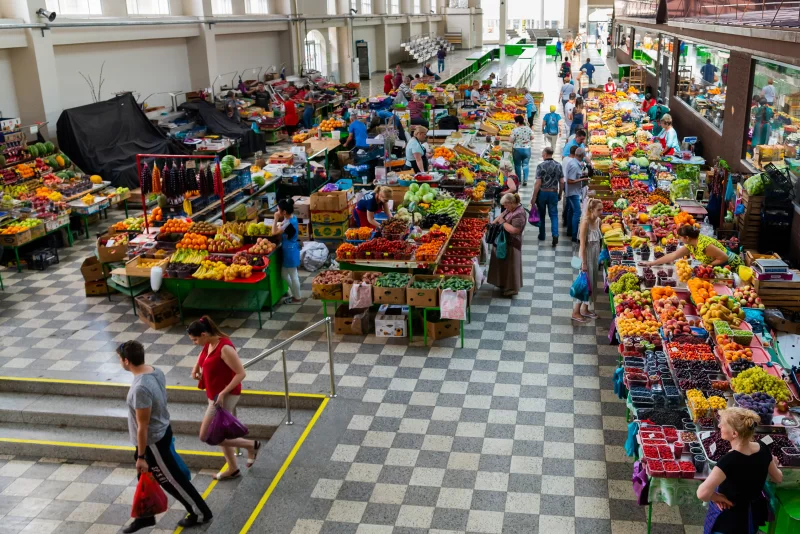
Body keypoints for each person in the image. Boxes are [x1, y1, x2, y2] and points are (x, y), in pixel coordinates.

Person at [119, 340, 213, 533]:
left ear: (126, 361)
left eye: (120, 359)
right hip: (160, 433)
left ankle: (201, 513)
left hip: (153, 443)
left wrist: (141, 456)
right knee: (146, 478)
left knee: (172, 481)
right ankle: (144, 516)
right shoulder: (155, 371)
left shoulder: (140, 388)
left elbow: (143, 426)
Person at [187, 318, 260, 480]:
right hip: (213, 394)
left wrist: (222, 393)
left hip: (224, 396)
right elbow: (202, 355)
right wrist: (195, 369)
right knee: (220, 432)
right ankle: (233, 468)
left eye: (195, 339)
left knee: (206, 435)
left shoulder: (225, 348)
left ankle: (251, 445)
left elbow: (241, 373)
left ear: (204, 334)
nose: (194, 343)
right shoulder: (208, 344)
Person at [697, 407, 783, 534]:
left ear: (734, 434)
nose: (719, 425)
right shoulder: (763, 449)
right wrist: (773, 463)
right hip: (751, 515)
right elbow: (778, 478)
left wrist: (716, 497)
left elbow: (702, 493)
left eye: (723, 424)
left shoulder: (728, 461)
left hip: (727, 520)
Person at [643, 225, 743, 269]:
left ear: (686, 237)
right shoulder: (691, 244)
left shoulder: (704, 245)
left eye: (680, 238)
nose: (679, 240)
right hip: (720, 266)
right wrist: (651, 263)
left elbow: (724, 257)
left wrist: (706, 265)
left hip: (733, 265)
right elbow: (673, 255)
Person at [487, 192, 527, 297]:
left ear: (512, 203)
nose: (504, 207)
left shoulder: (519, 213)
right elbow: (501, 216)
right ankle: (503, 283)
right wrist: (492, 224)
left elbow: (515, 230)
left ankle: (512, 288)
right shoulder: (510, 209)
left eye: (506, 204)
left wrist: (502, 223)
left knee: (512, 266)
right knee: (504, 264)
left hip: (512, 243)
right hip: (504, 242)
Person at [571, 198, 603, 322]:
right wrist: (583, 263)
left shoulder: (598, 220)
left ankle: (585, 309)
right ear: (591, 209)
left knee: (592, 282)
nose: (601, 211)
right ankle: (575, 311)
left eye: (602, 209)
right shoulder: (585, 222)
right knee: (584, 284)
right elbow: (582, 245)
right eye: (599, 209)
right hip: (586, 256)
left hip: (595, 255)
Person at [270, 198, 303, 304]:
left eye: (278, 210)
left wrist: (275, 219)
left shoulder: (288, 223)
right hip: (290, 249)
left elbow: (273, 232)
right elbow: (283, 225)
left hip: (290, 251)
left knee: (293, 274)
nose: (277, 212)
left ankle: (297, 297)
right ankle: (294, 293)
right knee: (284, 275)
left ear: (284, 212)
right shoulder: (291, 218)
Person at [532, 147, 564, 247]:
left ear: (545, 154)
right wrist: (560, 193)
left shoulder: (540, 166)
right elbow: (562, 182)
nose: (542, 155)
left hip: (542, 193)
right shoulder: (558, 165)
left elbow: (538, 183)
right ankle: (555, 234)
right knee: (554, 215)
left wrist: (534, 197)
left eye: (542, 154)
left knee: (541, 215)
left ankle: (542, 235)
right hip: (553, 193)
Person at [564, 145, 590, 241]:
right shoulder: (574, 166)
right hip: (573, 192)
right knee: (577, 212)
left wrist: (582, 175)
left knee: (571, 211)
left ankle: (569, 231)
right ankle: (575, 236)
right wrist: (583, 179)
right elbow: (570, 180)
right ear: (582, 156)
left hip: (572, 191)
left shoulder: (574, 163)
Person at [510, 115, 533, 186]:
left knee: (517, 165)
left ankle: (519, 180)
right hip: (527, 149)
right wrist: (527, 140)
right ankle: (525, 180)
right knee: (525, 165)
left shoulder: (515, 130)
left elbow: (511, 140)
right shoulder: (528, 129)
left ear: (517, 122)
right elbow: (532, 137)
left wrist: (516, 140)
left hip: (517, 150)